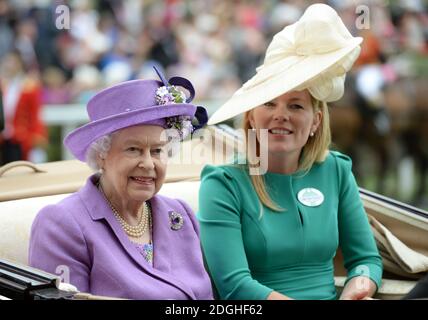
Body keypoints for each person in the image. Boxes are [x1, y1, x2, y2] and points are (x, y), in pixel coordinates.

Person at [198, 4, 383, 300]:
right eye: (269, 103)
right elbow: (234, 286)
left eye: (295, 105)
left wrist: (356, 290)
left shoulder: (335, 170)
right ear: (251, 117)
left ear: (316, 121)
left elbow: (366, 261)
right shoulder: (223, 184)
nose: (280, 115)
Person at [29, 68, 213, 300]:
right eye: (133, 149)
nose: (148, 163)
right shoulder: (62, 223)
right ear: (102, 154)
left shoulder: (179, 214)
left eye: (157, 151)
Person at [0, 50, 47, 165]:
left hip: (22, 138)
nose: (9, 65)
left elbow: (35, 114)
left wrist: (37, 136)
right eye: (7, 62)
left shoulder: (29, 86)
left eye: (13, 62)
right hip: (4, 138)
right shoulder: (4, 85)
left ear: (20, 64)